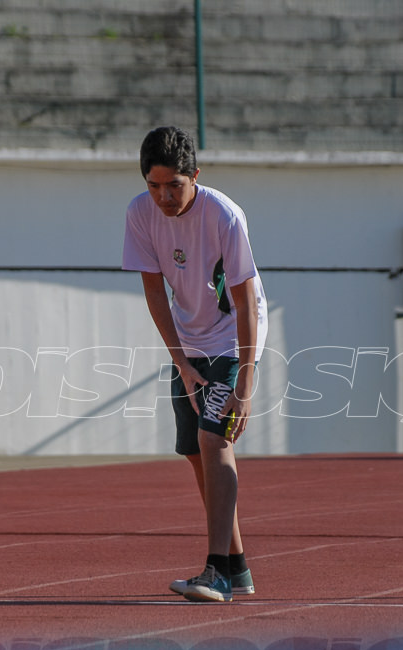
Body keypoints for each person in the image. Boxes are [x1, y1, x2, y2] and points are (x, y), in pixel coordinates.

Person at [122, 126, 268, 603]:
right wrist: (180, 360)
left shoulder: (224, 215)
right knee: (193, 450)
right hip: (190, 344)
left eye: (174, 186)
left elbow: (245, 301)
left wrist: (246, 378)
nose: (164, 197)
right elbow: (153, 292)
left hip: (232, 340)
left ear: (196, 177)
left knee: (213, 438)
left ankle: (217, 571)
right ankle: (240, 569)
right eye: (154, 185)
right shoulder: (140, 213)